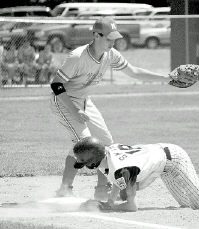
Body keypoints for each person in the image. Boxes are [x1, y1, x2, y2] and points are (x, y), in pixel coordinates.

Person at [49, 16, 173, 199]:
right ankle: (64, 189)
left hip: (84, 100)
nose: (112, 42)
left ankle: (102, 187)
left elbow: (134, 72)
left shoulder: (110, 54)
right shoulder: (78, 57)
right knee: (85, 144)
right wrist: (75, 110)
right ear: (96, 35)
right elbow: (56, 85)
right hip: (64, 101)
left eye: (114, 38)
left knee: (106, 143)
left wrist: (166, 78)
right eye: (108, 38)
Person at [73, 137, 199, 212]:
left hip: (174, 159)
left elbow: (131, 207)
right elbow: (117, 182)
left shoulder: (122, 168)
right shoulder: (105, 156)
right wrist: (108, 202)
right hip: (161, 165)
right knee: (186, 203)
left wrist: (108, 208)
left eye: (84, 162)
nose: (83, 165)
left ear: (93, 160)